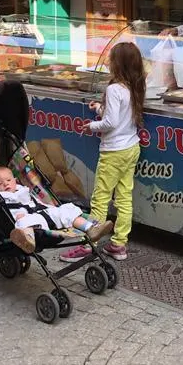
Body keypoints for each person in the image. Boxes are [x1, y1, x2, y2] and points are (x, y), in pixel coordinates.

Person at [60, 41, 145, 263]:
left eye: (110, 58)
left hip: (114, 152)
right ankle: (119, 244)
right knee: (124, 197)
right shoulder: (134, 86)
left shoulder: (113, 89)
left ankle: (89, 244)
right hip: (131, 148)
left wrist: (92, 125)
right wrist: (98, 108)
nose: (107, 61)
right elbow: (120, 115)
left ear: (117, 64)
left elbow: (110, 122)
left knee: (100, 198)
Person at [0, 166, 114, 255]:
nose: (6, 184)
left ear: (15, 180)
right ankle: (27, 241)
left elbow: (38, 202)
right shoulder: (2, 197)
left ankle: (91, 229)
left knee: (66, 210)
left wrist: (51, 208)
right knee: (23, 222)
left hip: (45, 213)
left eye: (8, 180)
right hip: (31, 221)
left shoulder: (23, 189)